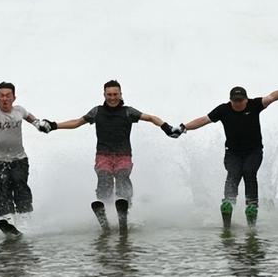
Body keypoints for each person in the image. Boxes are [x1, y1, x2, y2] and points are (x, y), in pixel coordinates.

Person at [36, 80, 179, 232]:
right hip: (103, 155)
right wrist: (54, 125)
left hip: (123, 155)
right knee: (104, 177)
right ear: (104, 95)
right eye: (109, 94)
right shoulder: (97, 112)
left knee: (122, 176)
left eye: (115, 94)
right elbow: (77, 122)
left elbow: (150, 118)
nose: (112, 97)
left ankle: (125, 207)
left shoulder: (128, 111)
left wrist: (166, 128)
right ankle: (103, 208)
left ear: (121, 94)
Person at [177, 79, 278, 228]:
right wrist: (184, 128)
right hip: (232, 153)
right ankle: (228, 205)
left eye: (241, 100)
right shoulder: (223, 110)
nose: (238, 103)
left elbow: (271, 97)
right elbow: (204, 120)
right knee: (233, 173)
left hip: (254, 152)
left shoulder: (254, 105)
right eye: (235, 101)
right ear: (230, 101)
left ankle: (252, 208)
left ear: (246, 99)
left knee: (249, 172)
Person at [0, 82, 45, 234]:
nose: (5, 98)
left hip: (19, 158)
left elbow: (28, 116)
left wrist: (37, 124)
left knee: (20, 184)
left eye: (8, 96)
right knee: (2, 186)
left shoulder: (19, 110)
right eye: (1, 96)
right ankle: (8, 218)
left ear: (14, 97)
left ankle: (25, 217)